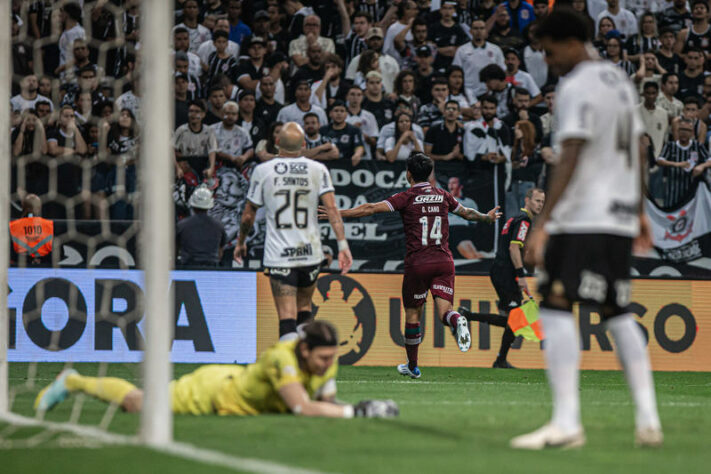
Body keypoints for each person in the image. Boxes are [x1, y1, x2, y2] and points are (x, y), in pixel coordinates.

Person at [513, 9, 662, 450]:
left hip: (582, 216)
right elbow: (638, 145)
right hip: (616, 216)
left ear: (571, 41)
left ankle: (565, 422)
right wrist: (636, 209)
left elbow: (572, 151)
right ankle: (649, 419)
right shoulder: (618, 81)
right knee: (616, 310)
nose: (548, 61)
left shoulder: (577, 84)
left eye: (549, 50)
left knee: (556, 306)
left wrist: (544, 223)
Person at [324, 152, 501, 378]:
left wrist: (337, 214)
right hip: (444, 261)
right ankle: (457, 319)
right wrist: (487, 217)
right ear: (430, 174)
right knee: (444, 312)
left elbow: (369, 208)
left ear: (409, 174)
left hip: (418, 264)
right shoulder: (443, 195)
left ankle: (413, 365)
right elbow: (467, 213)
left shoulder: (406, 197)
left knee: (412, 314)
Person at [35, 320, 398, 419]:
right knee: (139, 405)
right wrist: (357, 412)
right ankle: (74, 379)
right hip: (211, 392)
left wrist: (358, 407)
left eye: (332, 358)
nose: (328, 364)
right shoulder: (282, 357)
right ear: (304, 350)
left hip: (235, 396)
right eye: (323, 358)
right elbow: (302, 407)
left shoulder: (323, 360)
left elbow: (326, 403)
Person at [234, 122, 353, 340]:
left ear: (277, 142)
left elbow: (249, 215)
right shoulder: (318, 169)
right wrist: (342, 245)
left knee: (286, 317)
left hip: (279, 256)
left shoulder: (263, 171)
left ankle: (290, 372)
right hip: (310, 253)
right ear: (304, 144)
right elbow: (332, 209)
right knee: (305, 309)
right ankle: (308, 366)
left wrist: (241, 241)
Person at [459, 188, 545, 368]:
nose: (540, 205)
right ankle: (469, 317)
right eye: (537, 201)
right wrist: (521, 275)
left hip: (501, 270)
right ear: (527, 200)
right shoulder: (524, 221)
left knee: (512, 320)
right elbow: (514, 248)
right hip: (507, 272)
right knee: (514, 320)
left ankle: (500, 359)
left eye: (542, 202)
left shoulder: (514, 219)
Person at [656, 117, 709, 207]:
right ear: (677, 131)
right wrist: (676, 164)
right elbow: (660, 160)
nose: (684, 132)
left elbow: (709, 160)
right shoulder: (670, 145)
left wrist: (702, 166)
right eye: (682, 129)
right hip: (673, 191)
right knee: (671, 215)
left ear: (692, 132)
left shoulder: (697, 146)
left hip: (691, 192)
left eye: (687, 130)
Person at [453, 18, 506, 100]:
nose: (479, 31)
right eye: (476, 28)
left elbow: (502, 71)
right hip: (468, 92)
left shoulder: (496, 49)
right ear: (470, 31)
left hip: (490, 93)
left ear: (486, 31)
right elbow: (456, 71)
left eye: (482, 28)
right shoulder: (462, 50)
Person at [176, 185, 226, 267]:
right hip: (211, 270)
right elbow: (220, 252)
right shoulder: (219, 226)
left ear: (192, 204)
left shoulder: (182, 225)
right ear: (210, 205)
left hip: (187, 269)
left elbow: (175, 249)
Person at [173, 100, 217, 181]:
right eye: (191, 111)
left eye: (197, 112)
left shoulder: (209, 131)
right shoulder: (181, 130)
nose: (193, 114)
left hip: (202, 162)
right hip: (186, 163)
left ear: (203, 114)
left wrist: (211, 168)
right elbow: (171, 150)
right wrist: (177, 168)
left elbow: (212, 151)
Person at [10, 194, 53, 266]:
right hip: (45, 267)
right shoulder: (50, 225)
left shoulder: (12, 226)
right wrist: (40, 260)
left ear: (23, 207)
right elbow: (59, 253)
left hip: (19, 267)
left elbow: (8, 252)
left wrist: (29, 260)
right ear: (39, 208)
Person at [320, 100, 366, 166]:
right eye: (336, 111)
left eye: (342, 111)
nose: (339, 113)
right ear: (330, 114)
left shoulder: (354, 130)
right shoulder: (323, 130)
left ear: (346, 114)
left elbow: (359, 146)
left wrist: (357, 155)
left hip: (347, 166)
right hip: (325, 164)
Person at [212, 101, 253, 170]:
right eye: (227, 113)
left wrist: (244, 157)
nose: (230, 117)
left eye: (233, 114)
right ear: (222, 114)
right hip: (217, 166)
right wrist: (231, 158)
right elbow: (213, 151)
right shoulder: (212, 130)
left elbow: (250, 149)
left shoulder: (242, 131)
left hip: (238, 166)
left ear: (237, 116)